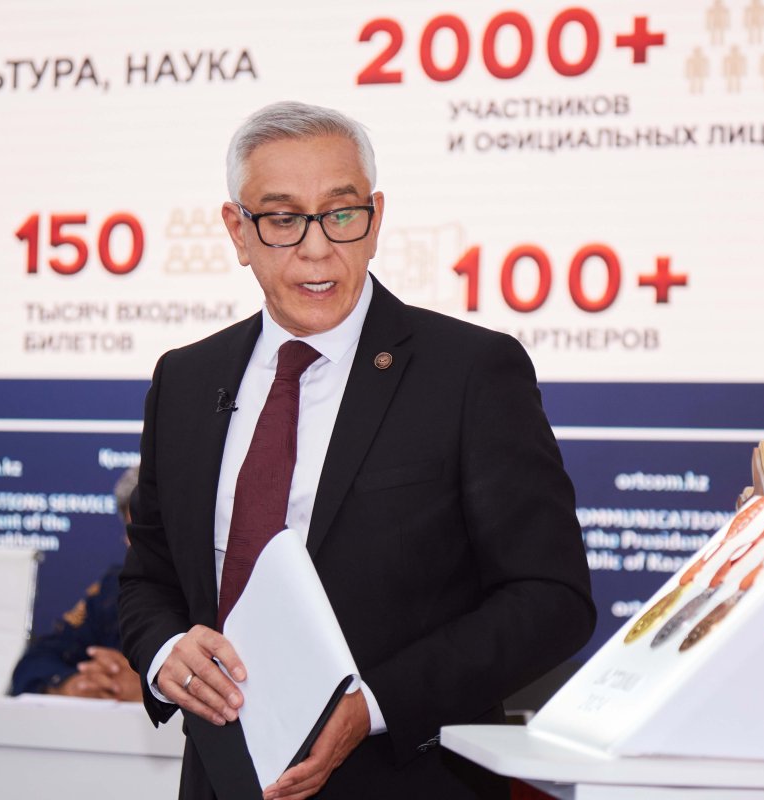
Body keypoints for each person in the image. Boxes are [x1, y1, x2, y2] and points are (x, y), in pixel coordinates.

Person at [118, 101, 594, 800]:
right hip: (221, 779)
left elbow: (551, 599)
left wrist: (373, 706)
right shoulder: (186, 380)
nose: (317, 248)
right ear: (238, 231)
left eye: (342, 214)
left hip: (409, 780)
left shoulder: (468, 372)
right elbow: (147, 579)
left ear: (375, 219)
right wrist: (166, 654)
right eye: (283, 219)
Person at [10, 466, 142, 701]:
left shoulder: (209, 593)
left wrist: (153, 689)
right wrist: (69, 685)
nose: (145, 544)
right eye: (135, 533)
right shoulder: (114, 588)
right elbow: (35, 661)